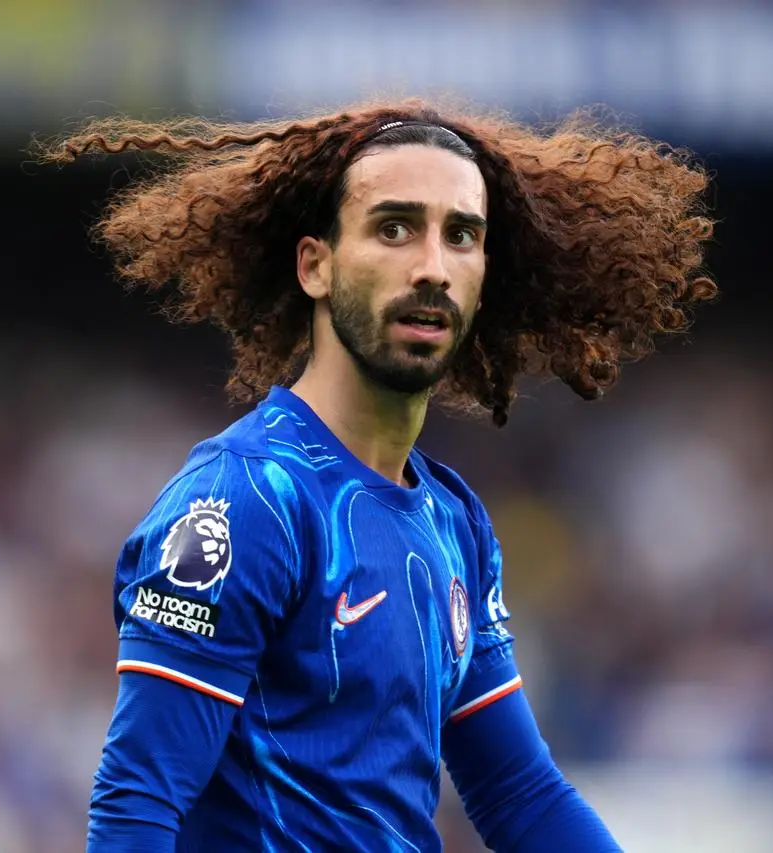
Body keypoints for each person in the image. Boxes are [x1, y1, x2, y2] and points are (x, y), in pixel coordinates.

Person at [41, 99, 715, 851]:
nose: (431, 266)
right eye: (394, 228)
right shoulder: (245, 502)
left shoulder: (453, 522)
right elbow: (137, 806)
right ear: (315, 264)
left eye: (461, 235)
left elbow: (521, 795)